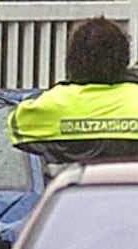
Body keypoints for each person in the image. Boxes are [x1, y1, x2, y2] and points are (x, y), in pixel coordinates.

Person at [7, 16, 138, 163]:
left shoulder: (52, 102)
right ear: (124, 57)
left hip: (72, 184)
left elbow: (17, 126)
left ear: (72, 59)